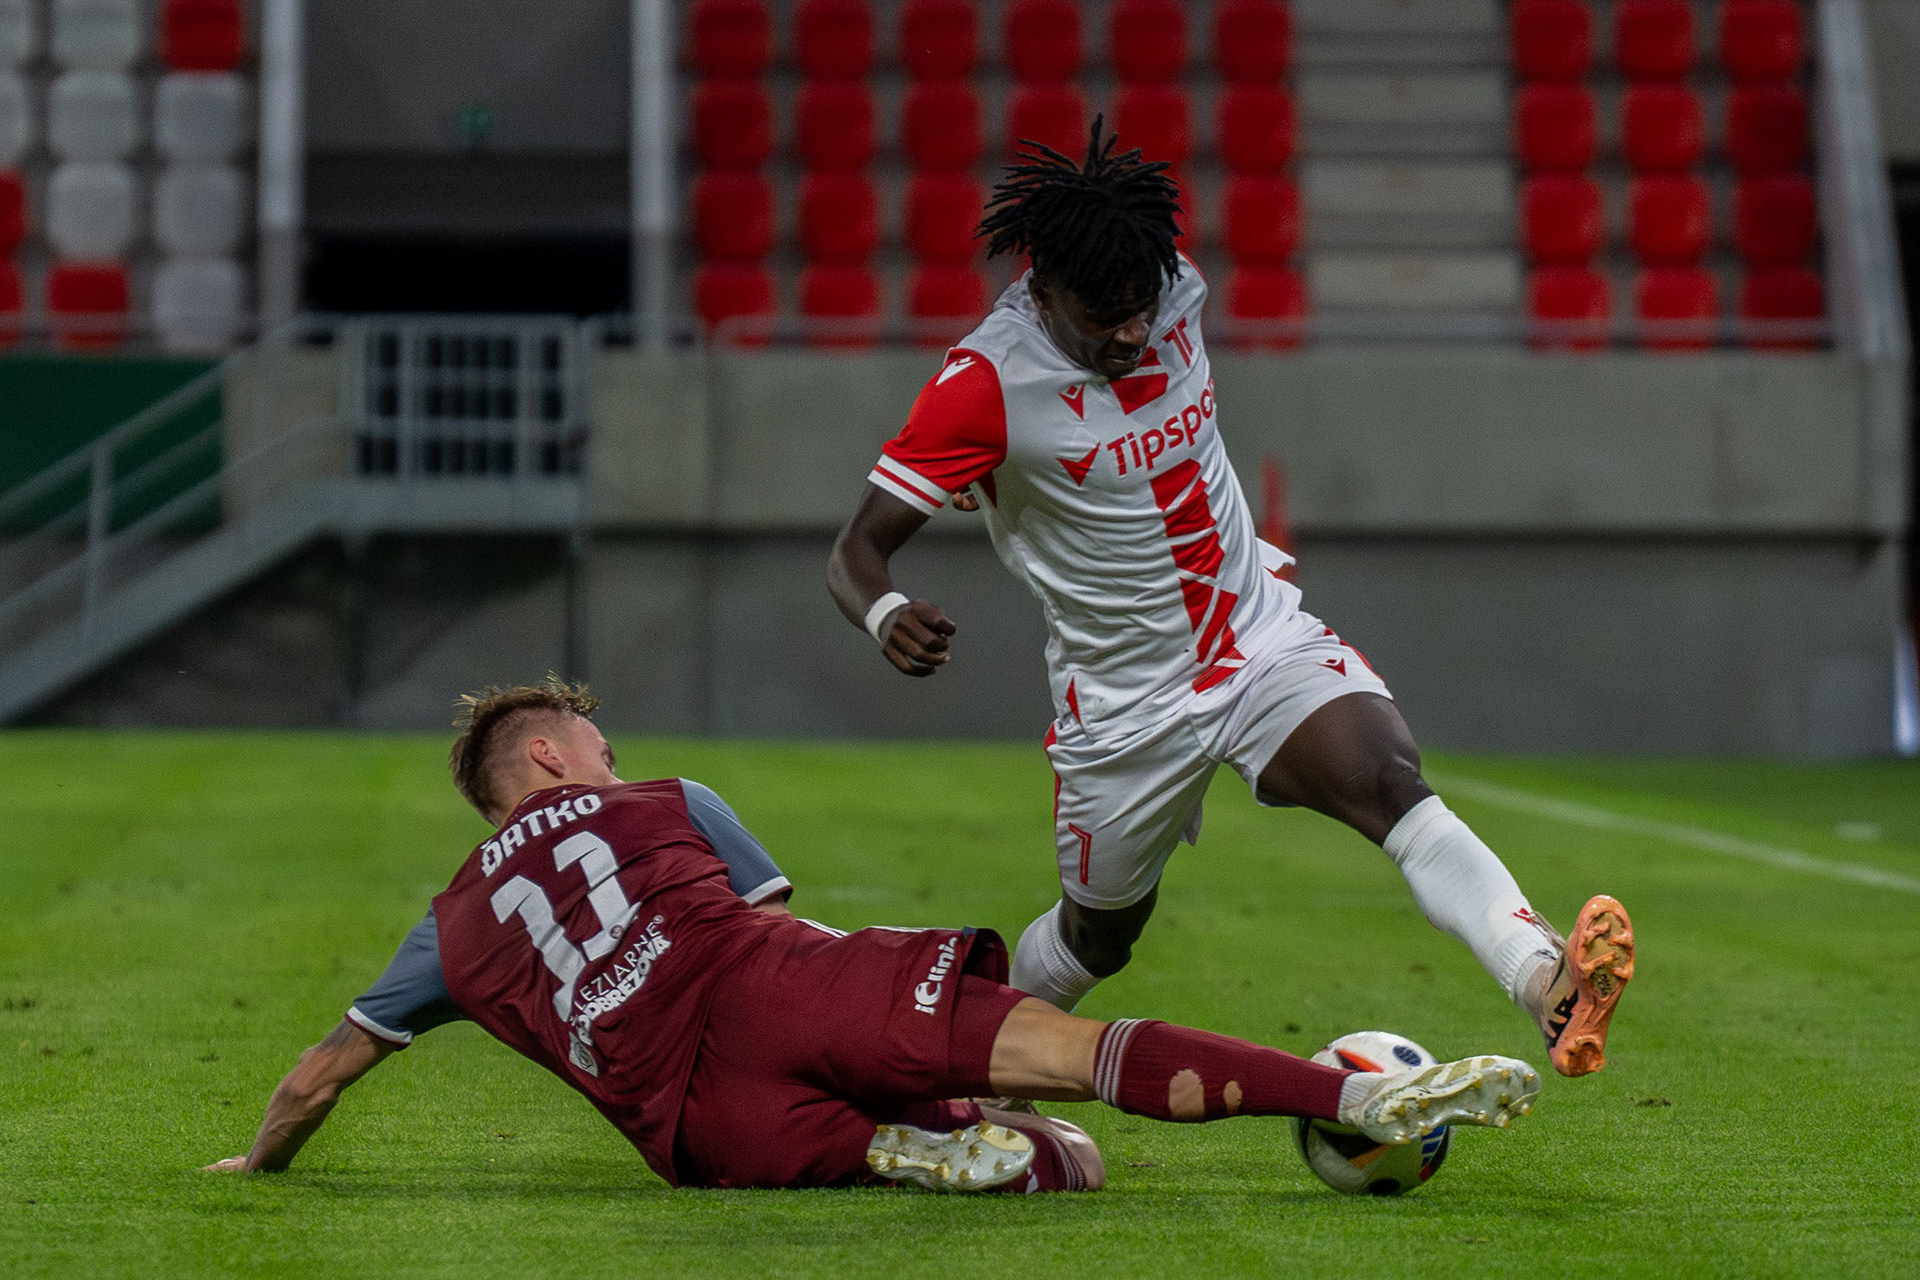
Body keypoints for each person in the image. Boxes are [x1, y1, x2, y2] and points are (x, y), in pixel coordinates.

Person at [826, 121, 1635, 1079]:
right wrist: (886, 612)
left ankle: (1544, 980)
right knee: (1099, 935)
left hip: (1253, 638)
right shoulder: (983, 387)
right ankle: (954, 1068)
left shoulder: (1171, 284)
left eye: (1141, 310)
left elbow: (1138, 308)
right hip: (1123, 703)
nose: (1134, 333)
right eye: (1106, 317)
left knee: (1389, 782)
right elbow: (855, 551)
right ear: (1040, 291)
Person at [205, 680, 1541, 1193]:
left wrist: (256, 1162)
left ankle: (907, 1150)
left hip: (703, 1133)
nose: (614, 761)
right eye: (597, 747)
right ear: (553, 757)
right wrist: (932, 1029)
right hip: (779, 987)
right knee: (1071, 1077)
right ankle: (1351, 1095)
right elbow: (787, 931)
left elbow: (319, 1076)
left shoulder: (449, 928)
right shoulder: (665, 801)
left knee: (1027, 1157)